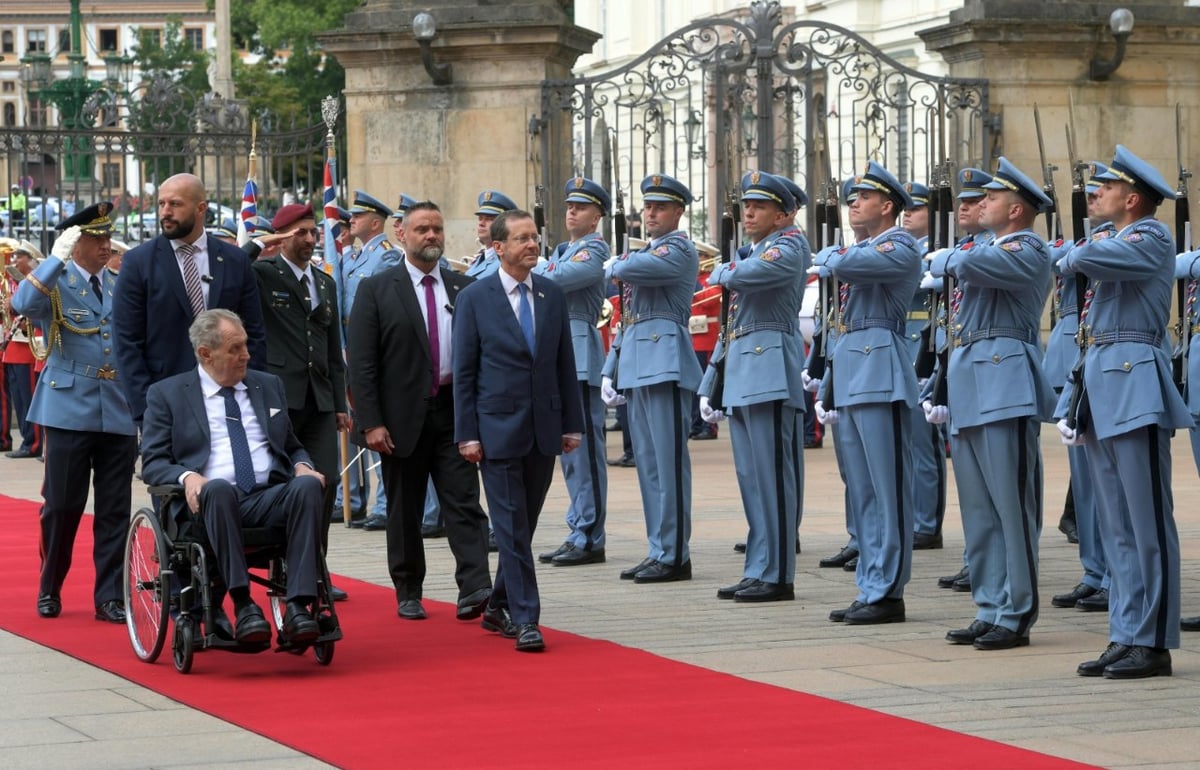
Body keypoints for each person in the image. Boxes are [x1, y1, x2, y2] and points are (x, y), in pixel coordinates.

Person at [1058, 146, 1191, 678]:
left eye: (1105, 188)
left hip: (1135, 382)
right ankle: (1126, 629)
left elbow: (1081, 259)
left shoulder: (1150, 236)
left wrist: (1072, 250)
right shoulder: (1114, 238)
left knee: (1147, 521)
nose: (1094, 195)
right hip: (1102, 379)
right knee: (1115, 523)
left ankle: (1154, 639)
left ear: (1132, 198)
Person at [924, 157, 1056, 650]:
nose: (981, 205)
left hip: (1005, 381)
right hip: (970, 380)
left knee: (1011, 505)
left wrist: (944, 256)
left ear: (1017, 209)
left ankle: (1017, 609)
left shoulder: (1027, 247)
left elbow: (969, 265)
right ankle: (990, 602)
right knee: (979, 507)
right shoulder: (979, 247)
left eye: (991, 198)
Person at [140, 309, 325, 645]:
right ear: (205, 354)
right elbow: (153, 462)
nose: (247, 354)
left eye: (246, 345)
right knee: (219, 489)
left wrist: (302, 465)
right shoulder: (167, 394)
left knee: (308, 486)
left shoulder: (268, 385)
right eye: (235, 348)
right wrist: (187, 477)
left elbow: (292, 446)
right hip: (206, 503)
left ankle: (298, 604)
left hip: (265, 497)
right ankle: (243, 605)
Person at [347, 201, 493, 621]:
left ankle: (475, 587)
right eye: (422, 230)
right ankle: (408, 589)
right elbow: (361, 363)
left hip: (453, 414)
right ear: (402, 235)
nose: (431, 236)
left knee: (463, 502)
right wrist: (371, 422)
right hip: (398, 420)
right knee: (404, 509)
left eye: (437, 229)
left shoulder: (462, 287)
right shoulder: (377, 289)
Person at [454, 209, 584, 652]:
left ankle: (496, 605)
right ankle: (525, 617)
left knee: (521, 527)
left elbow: (564, 362)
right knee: (509, 525)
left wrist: (572, 423)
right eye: (522, 239)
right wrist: (466, 434)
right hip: (496, 429)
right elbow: (465, 371)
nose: (532, 245)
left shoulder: (551, 293)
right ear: (498, 248)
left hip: (544, 428)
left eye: (535, 237)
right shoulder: (475, 297)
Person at [12, 204, 137, 622]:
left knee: (115, 508)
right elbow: (22, 304)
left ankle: (109, 597)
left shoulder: (122, 284)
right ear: (75, 242)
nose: (106, 245)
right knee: (62, 506)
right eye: (96, 238)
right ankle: (50, 586)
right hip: (67, 406)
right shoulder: (55, 282)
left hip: (117, 407)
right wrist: (53, 259)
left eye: (108, 238)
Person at [813, 161, 920, 625]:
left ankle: (889, 589)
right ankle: (871, 582)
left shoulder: (899, 244)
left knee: (886, 487)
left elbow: (847, 264)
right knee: (862, 488)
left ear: (888, 206)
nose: (853, 203)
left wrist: (829, 256)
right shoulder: (856, 248)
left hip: (880, 367)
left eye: (863, 197)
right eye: (851, 197)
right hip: (853, 366)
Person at [698, 171, 808, 602]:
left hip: (770, 370)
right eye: (746, 205)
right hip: (744, 369)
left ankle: (779, 573)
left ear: (783, 214)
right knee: (752, 478)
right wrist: (713, 378)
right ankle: (759, 565)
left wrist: (727, 268)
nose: (748, 212)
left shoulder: (789, 245)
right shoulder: (756, 250)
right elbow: (730, 321)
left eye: (759, 206)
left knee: (773, 478)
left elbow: (739, 277)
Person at [602, 173, 702, 583]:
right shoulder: (648, 253)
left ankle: (676, 552)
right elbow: (626, 316)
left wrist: (620, 261)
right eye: (648, 207)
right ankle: (658, 547)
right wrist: (612, 367)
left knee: (668, 462)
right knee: (648, 464)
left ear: (679, 211)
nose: (651, 214)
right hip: (639, 361)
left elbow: (633, 268)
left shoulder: (677, 249)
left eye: (660, 207)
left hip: (664, 360)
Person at [251, 203, 349, 600]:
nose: (310, 239)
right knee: (284, 483)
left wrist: (341, 401)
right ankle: (285, 564)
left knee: (326, 480)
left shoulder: (324, 282)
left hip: (321, 399)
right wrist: (260, 244)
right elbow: (231, 273)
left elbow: (331, 345)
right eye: (301, 233)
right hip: (281, 398)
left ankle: (313, 567)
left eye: (313, 232)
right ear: (282, 237)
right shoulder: (262, 274)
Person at [113, 172, 266, 422]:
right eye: (161, 203)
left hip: (231, 397)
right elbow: (126, 341)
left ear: (200, 208)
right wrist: (145, 408)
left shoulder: (235, 260)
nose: (165, 212)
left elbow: (255, 333)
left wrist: (252, 392)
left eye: (175, 204)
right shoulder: (138, 263)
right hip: (166, 401)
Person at [530, 177, 610, 567]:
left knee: (586, 451)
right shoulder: (561, 252)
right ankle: (578, 524)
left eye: (581, 207)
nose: (572, 212)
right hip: (558, 355)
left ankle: (591, 534)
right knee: (568, 452)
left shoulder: (593, 250)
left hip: (579, 354)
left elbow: (554, 279)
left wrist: (538, 264)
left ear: (597, 217)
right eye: (569, 206)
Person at [1048, 164, 1114, 615]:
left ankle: (1112, 575)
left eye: (1098, 193)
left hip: (1108, 366)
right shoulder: (1083, 245)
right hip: (1076, 364)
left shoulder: (1117, 243)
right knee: (1086, 485)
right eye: (1086, 195)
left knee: (1110, 487)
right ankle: (1094, 571)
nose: (1090, 201)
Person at [934, 166, 994, 595]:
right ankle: (983, 573)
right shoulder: (967, 250)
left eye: (976, 201)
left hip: (996, 373)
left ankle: (1008, 593)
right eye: (962, 203)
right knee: (975, 496)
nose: (966, 209)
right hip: (964, 367)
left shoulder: (1000, 250)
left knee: (1004, 497)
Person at [335, 190, 402, 532]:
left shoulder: (387, 257)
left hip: (372, 349)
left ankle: (385, 502)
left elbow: (381, 305)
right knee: (356, 425)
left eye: (357, 218)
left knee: (377, 426)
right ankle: (354, 499)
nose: (351, 223)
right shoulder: (354, 256)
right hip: (350, 349)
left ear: (376, 222)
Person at [901, 181, 946, 552]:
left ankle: (927, 523)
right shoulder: (907, 250)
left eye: (914, 209)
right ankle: (913, 515)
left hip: (924, 347)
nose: (907, 214)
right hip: (903, 348)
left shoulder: (937, 251)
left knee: (924, 443)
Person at [3, 240, 43, 458]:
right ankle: (28, 441)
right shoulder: (20, 284)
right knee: (20, 399)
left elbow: (35, 313)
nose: (14, 261)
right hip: (14, 348)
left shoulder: (35, 284)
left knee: (29, 400)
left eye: (19, 257)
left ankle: (34, 443)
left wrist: (15, 305)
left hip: (29, 348)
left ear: (30, 259)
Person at [465, 190, 518, 279]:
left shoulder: (507, 262)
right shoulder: (479, 260)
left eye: (489, 219)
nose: (481, 223)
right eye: (480, 218)